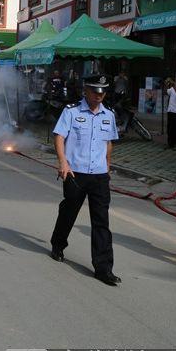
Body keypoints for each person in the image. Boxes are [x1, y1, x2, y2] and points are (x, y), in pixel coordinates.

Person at [48, 74, 121, 286]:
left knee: (101, 222)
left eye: (103, 92)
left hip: (99, 175)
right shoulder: (71, 112)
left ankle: (103, 268)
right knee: (69, 211)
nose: (99, 96)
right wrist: (63, 163)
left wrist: (107, 167)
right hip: (75, 173)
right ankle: (58, 244)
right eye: (95, 91)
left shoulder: (109, 115)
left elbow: (108, 143)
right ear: (86, 91)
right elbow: (59, 136)